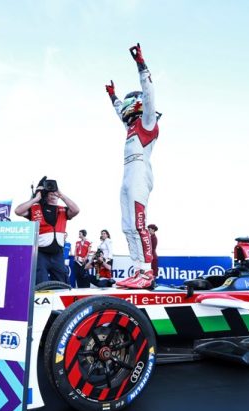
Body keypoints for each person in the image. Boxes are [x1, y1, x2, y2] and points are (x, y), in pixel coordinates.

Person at [106, 43, 160, 289]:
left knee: (139, 224)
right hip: (127, 174)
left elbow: (149, 93)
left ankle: (147, 273)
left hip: (140, 173)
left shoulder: (147, 122)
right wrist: (113, 96)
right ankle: (138, 269)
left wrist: (141, 63)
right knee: (127, 225)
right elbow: (120, 112)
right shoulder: (129, 127)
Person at [15, 176, 80, 284]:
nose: (54, 195)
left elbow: (76, 210)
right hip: (40, 254)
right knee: (42, 284)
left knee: (62, 283)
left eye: (55, 194)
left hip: (57, 253)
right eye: (51, 193)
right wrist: (36, 199)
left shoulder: (63, 210)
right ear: (46, 195)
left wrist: (61, 194)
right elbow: (18, 211)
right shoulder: (35, 209)